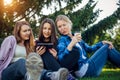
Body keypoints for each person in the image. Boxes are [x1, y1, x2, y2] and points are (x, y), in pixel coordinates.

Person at [55, 15, 120, 78]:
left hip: (87, 64)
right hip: (83, 70)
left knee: (106, 45)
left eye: (64, 25)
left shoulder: (76, 36)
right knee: (107, 48)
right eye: (59, 27)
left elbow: (89, 48)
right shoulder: (62, 40)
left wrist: (102, 43)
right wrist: (71, 44)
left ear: (70, 24)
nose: (62, 28)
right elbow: (61, 59)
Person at [0, 21, 69, 80]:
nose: (28, 33)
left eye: (29, 30)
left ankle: (59, 76)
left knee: (41, 57)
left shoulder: (29, 45)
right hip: (8, 72)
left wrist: (37, 55)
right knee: (21, 61)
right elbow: (1, 58)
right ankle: (49, 75)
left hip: (23, 74)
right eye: (25, 31)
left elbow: (31, 63)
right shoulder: (11, 40)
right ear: (18, 32)